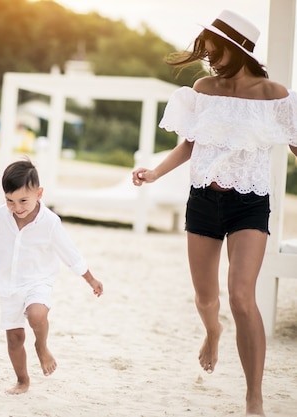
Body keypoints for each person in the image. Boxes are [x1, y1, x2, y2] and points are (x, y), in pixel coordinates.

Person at [132, 10, 297, 417]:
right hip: (203, 201)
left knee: (242, 296)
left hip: (250, 203)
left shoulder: (274, 96)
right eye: (205, 52)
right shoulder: (203, 88)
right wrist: (154, 172)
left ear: (239, 50)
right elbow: (189, 145)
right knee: (207, 300)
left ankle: (253, 398)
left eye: (216, 51)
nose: (210, 60)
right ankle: (212, 331)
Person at [0, 159, 103, 395]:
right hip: (8, 284)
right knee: (15, 339)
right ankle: (22, 380)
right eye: (9, 200)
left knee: (37, 314)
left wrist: (90, 279)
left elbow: (69, 253)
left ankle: (41, 345)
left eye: (23, 201)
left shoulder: (50, 222)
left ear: (39, 193)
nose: (17, 207)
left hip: (38, 281)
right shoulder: (1, 216)